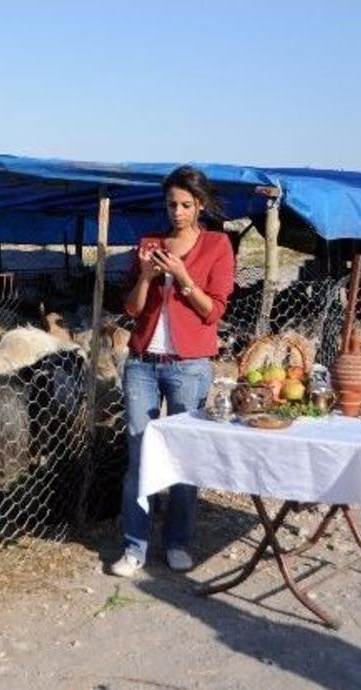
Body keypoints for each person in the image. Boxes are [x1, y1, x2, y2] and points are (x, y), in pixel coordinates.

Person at [109, 165, 235, 577]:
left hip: (190, 367)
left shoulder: (217, 246)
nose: (177, 212)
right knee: (138, 455)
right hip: (143, 364)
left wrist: (181, 276)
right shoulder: (148, 245)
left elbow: (212, 311)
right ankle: (134, 547)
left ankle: (178, 542)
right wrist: (145, 276)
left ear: (199, 205)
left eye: (184, 204)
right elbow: (129, 308)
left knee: (184, 457)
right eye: (171, 204)